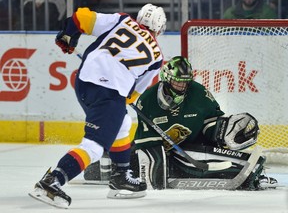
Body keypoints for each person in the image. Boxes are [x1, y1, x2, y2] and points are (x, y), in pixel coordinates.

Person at [28, 3, 166, 208]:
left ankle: (121, 176)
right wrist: (116, 101)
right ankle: (53, 180)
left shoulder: (122, 20)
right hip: (109, 93)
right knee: (94, 146)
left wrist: (68, 35)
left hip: (83, 82)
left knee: (123, 122)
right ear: (159, 28)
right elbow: (133, 94)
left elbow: (81, 18)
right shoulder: (157, 57)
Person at [83, 56, 278, 191]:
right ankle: (103, 164)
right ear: (167, 79)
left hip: (194, 145)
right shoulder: (148, 100)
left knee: (207, 160)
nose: (182, 86)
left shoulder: (198, 93)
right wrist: (161, 153)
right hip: (165, 152)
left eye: (184, 82)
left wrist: (225, 130)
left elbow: (213, 122)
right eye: (177, 82)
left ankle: (248, 172)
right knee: (130, 161)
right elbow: (145, 144)